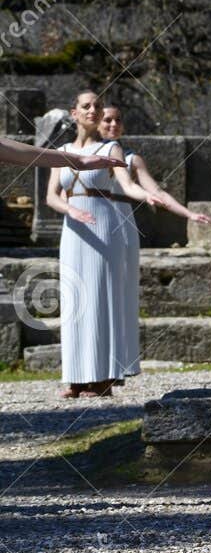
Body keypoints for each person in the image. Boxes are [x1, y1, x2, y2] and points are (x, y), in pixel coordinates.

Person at [44, 91, 199, 398]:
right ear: (74, 113)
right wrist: (70, 209)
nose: (93, 110)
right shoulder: (60, 151)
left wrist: (149, 196)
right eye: (86, 106)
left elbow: (128, 186)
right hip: (74, 230)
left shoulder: (111, 148)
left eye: (97, 106)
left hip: (104, 228)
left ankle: (102, 378)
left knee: (101, 299)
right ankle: (75, 377)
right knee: (76, 301)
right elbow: (52, 196)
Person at [97, 104, 211, 230]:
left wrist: (190, 214)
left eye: (118, 120)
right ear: (96, 124)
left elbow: (157, 193)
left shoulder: (132, 160)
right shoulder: (83, 152)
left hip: (118, 220)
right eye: (107, 120)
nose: (114, 124)